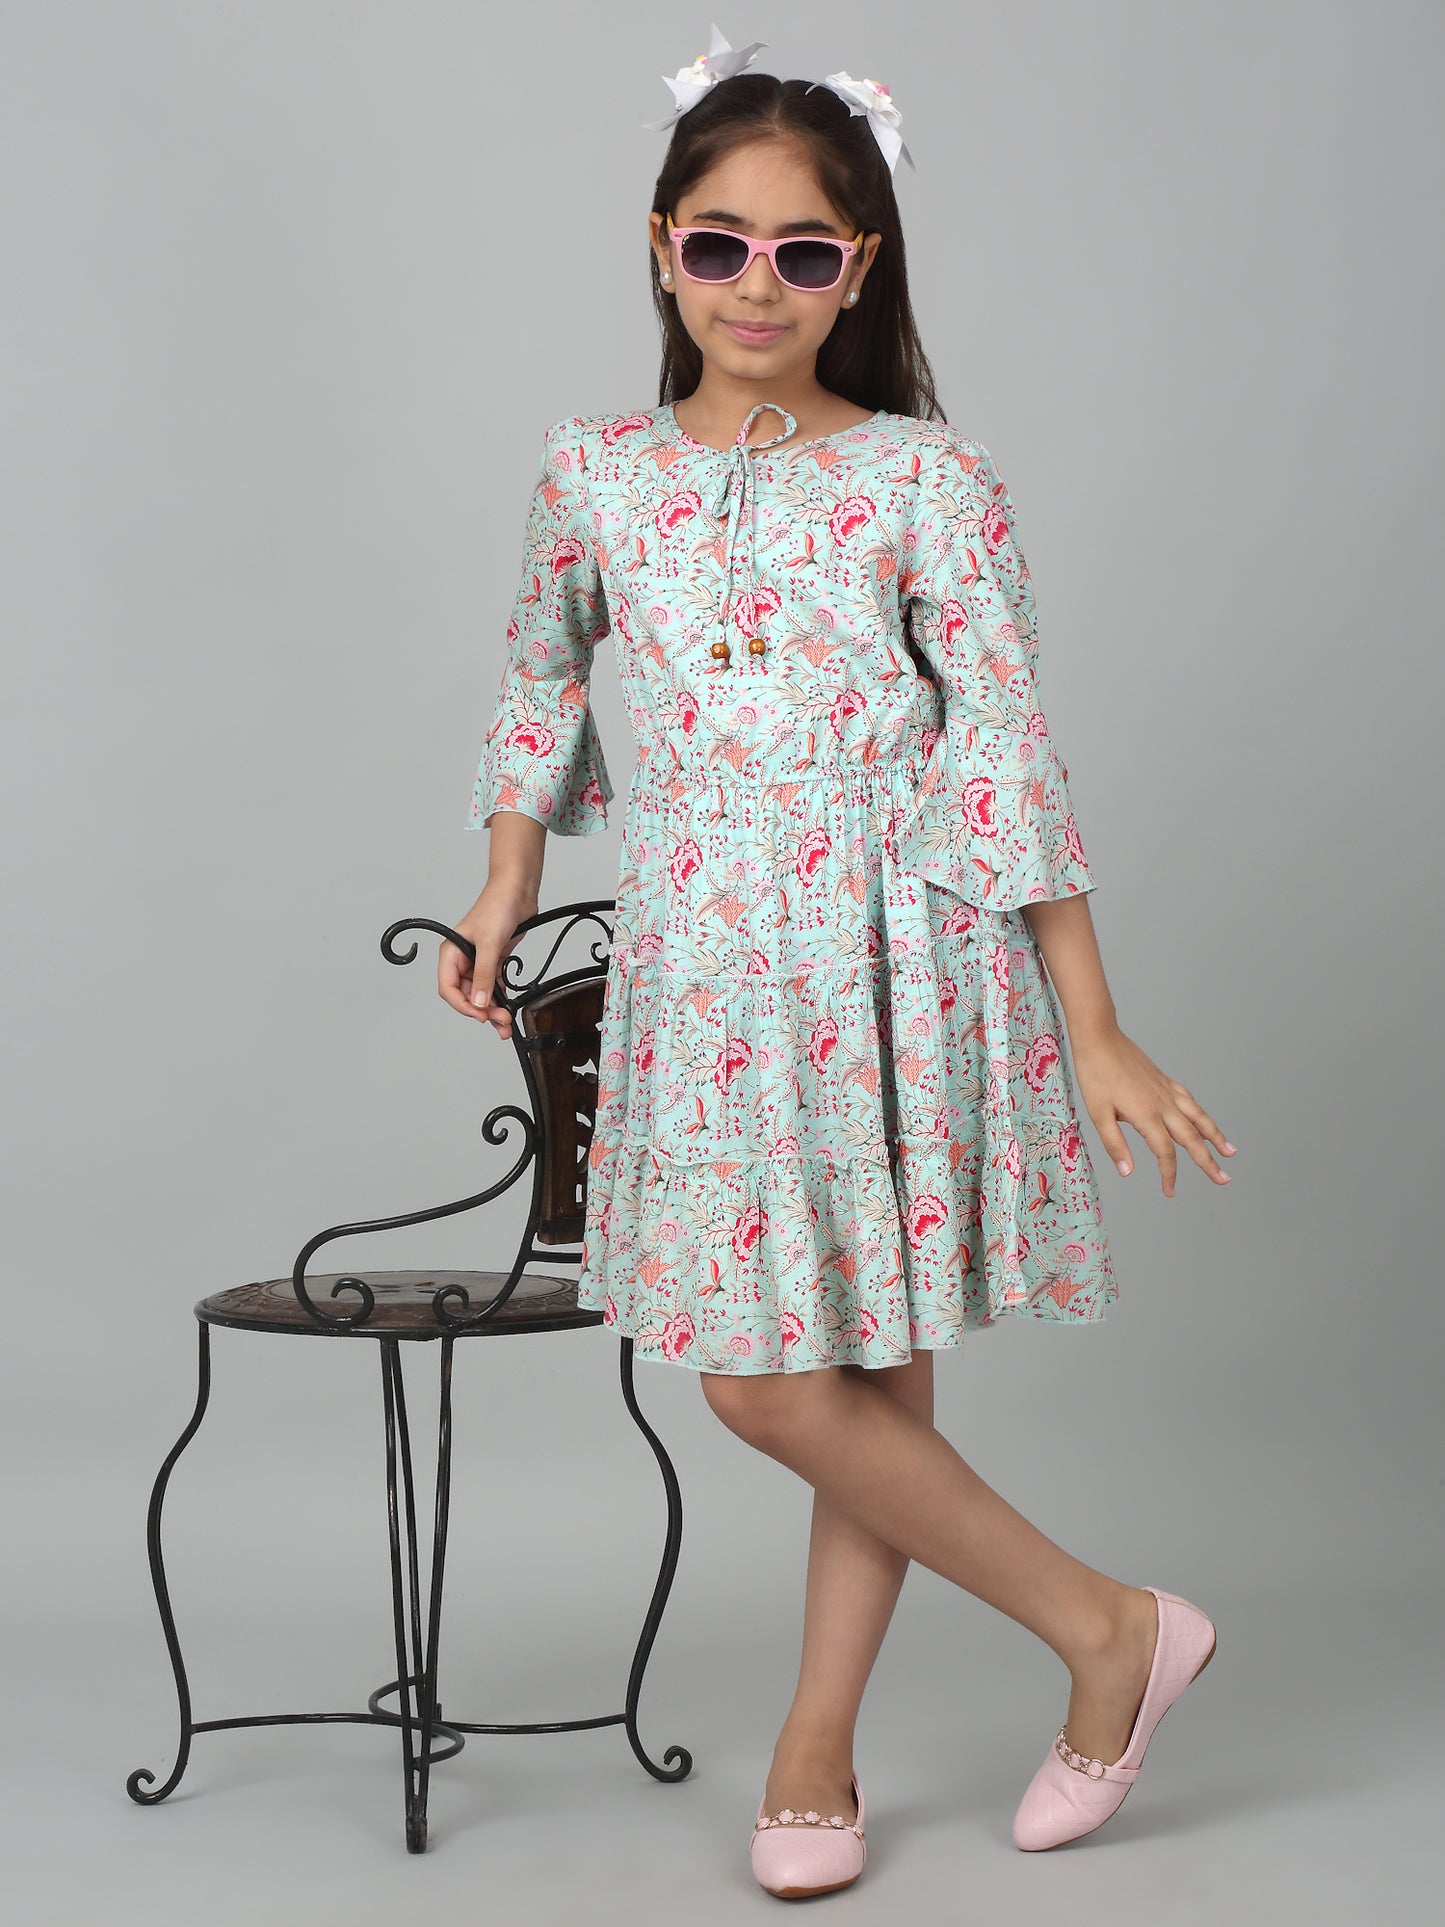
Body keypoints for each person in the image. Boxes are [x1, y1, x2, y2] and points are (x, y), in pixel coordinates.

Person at [438, 30, 1236, 1901]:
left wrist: (1094, 1022)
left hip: (901, 954)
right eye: (718, 244)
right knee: (769, 1375)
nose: (756, 286)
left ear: (858, 268)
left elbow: (1002, 748)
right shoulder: (591, 473)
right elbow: (539, 676)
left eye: (804, 251)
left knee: (857, 1367)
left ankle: (821, 1749)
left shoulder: (930, 480)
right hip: (709, 968)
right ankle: (1112, 1629)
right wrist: (505, 878)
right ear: (660, 247)